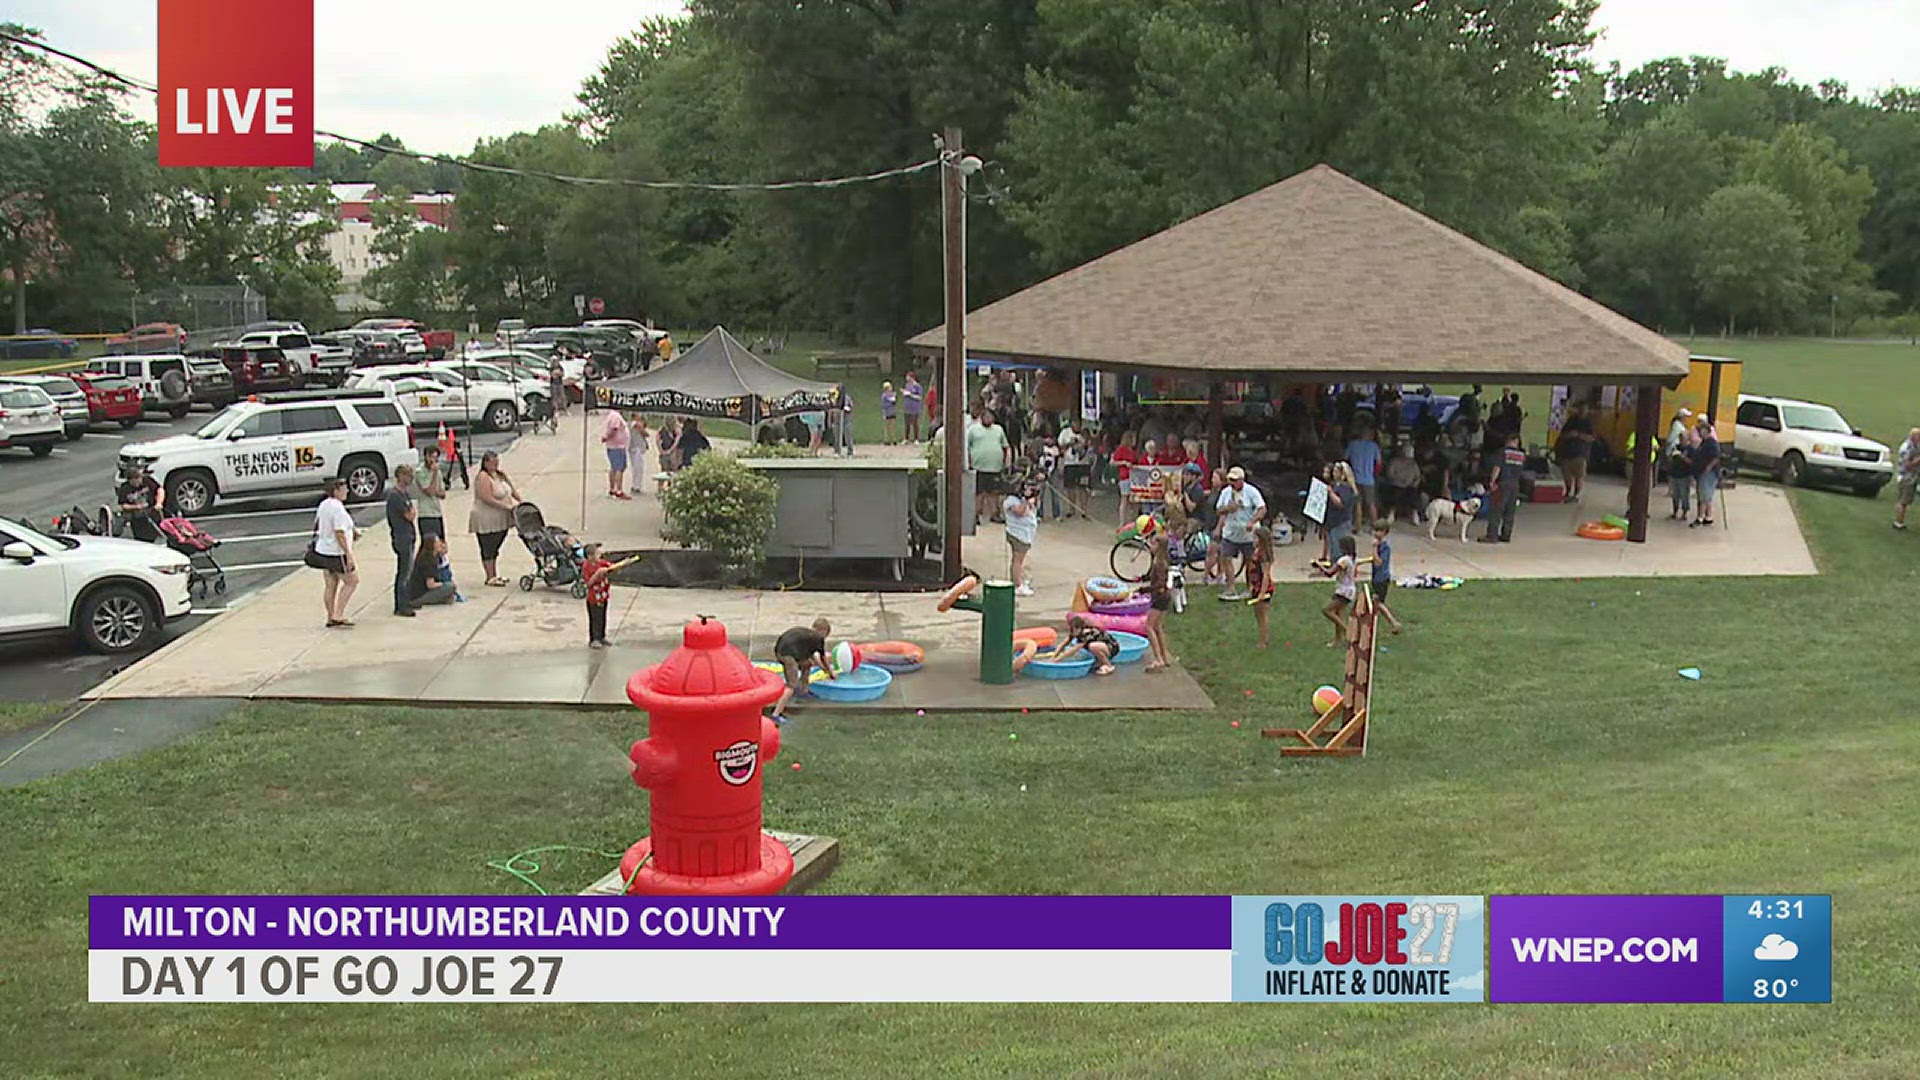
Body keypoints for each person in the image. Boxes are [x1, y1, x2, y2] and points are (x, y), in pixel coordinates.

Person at [311, 476, 359, 628]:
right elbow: (339, 532)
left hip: (323, 550)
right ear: (336, 490)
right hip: (337, 552)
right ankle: (338, 614)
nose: (347, 491)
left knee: (330, 584)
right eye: (344, 488)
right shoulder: (338, 508)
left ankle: (330, 615)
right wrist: (349, 554)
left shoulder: (324, 505)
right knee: (352, 581)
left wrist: (353, 531)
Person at [1213, 466, 1267, 601]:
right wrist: (1227, 509)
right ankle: (1230, 588)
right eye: (1230, 480)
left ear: (1242, 480)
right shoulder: (1226, 492)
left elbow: (1262, 509)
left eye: (1235, 480)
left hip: (1248, 534)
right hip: (1230, 532)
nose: (1232, 483)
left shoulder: (1252, 491)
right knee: (1226, 558)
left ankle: (1250, 588)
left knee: (1250, 561)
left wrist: (1252, 521)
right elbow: (1218, 510)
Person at [469, 451, 519, 587]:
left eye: (497, 462)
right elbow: (486, 497)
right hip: (486, 517)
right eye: (493, 463)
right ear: (485, 463)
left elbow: (512, 491)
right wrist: (506, 506)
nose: (496, 465)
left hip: (501, 518)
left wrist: (520, 502)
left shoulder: (500, 475)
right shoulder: (483, 477)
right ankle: (489, 576)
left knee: (497, 544)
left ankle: (495, 574)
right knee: (488, 545)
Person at [771, 618, 834, 723]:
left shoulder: (808, 637)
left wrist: (824, 670)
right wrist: (830, 673)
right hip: (788, 656)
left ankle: (802, 690)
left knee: (807, 664)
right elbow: (823, 659)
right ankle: (776, 714)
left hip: (780, 651)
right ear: (823, 631)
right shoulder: (818, 638)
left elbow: (813, 657)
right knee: (791, 685)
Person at [581, 543, 639, 648]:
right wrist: (597, 574)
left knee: (602, 617)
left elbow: (611, 567)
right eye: (597, 554)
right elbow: (588, 583)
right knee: (595, 618)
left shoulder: (601, 563)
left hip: (603, 596)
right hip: (594, 598)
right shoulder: (586, 566)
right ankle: (594, 639)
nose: (600, 555)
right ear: (590, 556)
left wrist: (624, 563)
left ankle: (602, 637)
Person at [967, 406, 1011, 524]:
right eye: (986, 416)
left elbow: (1005, 446)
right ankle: (975, 515)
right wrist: (969, 463)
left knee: (994, 493)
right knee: (979, 493)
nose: (988, 419)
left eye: (991, 417)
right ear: (981, 417)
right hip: (978, 467)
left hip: (995, 467)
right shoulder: (973, 429)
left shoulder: (999, 429)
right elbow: (967, 447)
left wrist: (1005, 462)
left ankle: (995, 514)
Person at [386, 464, 419, 617]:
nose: (410, 478)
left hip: (409, 535)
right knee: (403, 571)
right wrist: (411, 512)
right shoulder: (395, 496)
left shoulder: (404, 494)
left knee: (408, 570)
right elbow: (409, 515)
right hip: (401, 537)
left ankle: (407, 599)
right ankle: (401, 605)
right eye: (406, 475)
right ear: (399, 476)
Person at [1316, 534, 1360, 647]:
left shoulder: (1343, 560)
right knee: (1338, 613)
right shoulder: (1353, 559)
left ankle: (1347, 630)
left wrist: (1320, 567)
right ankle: (1338, 640)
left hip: (1343, 590)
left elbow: (1330, 573)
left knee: (1327, 610)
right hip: (1350, 589)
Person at [1482, 432, 1526, 543]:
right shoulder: (1521, 455)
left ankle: (1492, 535)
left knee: (1496, 510)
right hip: (1515, 484)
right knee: (1510, 511)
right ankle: (1506, 535)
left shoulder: (1502, 452)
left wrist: (1492, 481)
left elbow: (1497, 467)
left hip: (1503, 484)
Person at [1142, 529, 1175, 671]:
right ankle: (1164, 656)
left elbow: (1160, 584)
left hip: (1159, 597)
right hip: (1164, 597)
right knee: (1158, 626)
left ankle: (1158, 659)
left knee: (1149, 626)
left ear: (1159, 547)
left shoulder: (1158, 563)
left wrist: (1145, 590)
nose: (1150, 545)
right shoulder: (1161, 561)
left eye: (1153, 544)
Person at [1051, 614, 1118, 676]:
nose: (1071, 632)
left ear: (1079, 628)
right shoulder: (1075, 633)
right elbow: (1063, 644)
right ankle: (1099, 661)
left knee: (1092, 646)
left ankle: (1108, 665)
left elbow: (1073, 650)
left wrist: (1057, 660)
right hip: (1102, 646)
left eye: (1073, 630)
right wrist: (1054, 655)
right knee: (1090, 646)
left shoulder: (1086, 634)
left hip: (1111, 647)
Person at [1004, 476, 1038, 596]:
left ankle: (1018, 581)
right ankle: (1017, 585)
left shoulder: (1019, 500)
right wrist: (1026, 500)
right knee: (1017, 560)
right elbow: (1020, 512)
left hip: (1025, 533)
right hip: (1018, 534)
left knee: (1020, 560)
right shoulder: (1010, 501)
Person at [1368, 521, 1404, 634]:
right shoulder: (1379, 546)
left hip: (1381, 579)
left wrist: (1374, 548)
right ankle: (1372, 625)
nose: (1376, 533)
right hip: (1376, 578)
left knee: (1377, 603)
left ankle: (1394, 623)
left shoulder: (1385, 547)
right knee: (1375, 603)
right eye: (1375, 530)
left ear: (1384, 532)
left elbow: (1378, 562)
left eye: (1379, 531)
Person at [115, 462, 165, 542]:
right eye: (134, 480)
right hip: (138, 518)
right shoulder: (124, 489)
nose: (137, 482)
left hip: (153, 513)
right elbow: (123, 505)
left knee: (161, 533)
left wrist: (159, 503)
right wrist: (136, 507)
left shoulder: (147, 481)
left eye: (138, 478)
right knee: (143, 540)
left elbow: (159, 490)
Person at [1555, 402, 1594, 502]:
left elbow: (1592, 438)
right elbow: (1562, 435)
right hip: (1567, 453)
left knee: (1579, 476)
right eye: (1580, 409)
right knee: (1567, 475)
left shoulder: (1588, 423)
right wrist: (1569, 435)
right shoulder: (1571, 421)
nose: (1582, 411)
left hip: (1581, 454)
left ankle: (1575, 495)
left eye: (1584, 409)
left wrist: (1578, 435)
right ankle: (1568, 492)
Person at [408, 534, 458, 607]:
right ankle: (419, 601)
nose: (440, 544)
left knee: (449, 595)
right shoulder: (428, 561)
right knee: (451, 586)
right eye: (437, 542)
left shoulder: (432, 556)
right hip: (421, 592)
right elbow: (430, 584)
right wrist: (443, 584)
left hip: (420, 590)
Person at [1346, 424, 1381, 526]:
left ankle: (1358, 526)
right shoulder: (1374, 446)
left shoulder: (1352, 445)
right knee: (1371, 503)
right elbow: (1378, 464)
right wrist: (1374, 474)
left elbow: (1344, 459)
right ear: (1370, 434)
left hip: (1354, 478)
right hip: (1369, 479)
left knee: (1357, 503)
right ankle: (1375, 526)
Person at [1247, 523, 1275, 648]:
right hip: (1255, 585)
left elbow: (1265, 575)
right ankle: (1263, 636)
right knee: (1257, 614)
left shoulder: (1264, 556)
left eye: (1256, 538)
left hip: (1263, 588)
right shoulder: (1256, 551)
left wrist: (1262, 593)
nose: (1254, 540)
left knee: (1263, 614)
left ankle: (1263, 641)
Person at [1690, 417, 1721, 528]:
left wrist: (1708, 467)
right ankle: (1708, 516)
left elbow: (1716, 456)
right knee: (1706, 496)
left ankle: (1700, 517)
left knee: (1704, 495)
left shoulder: (1711, 443)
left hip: (1708, 473)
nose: (1700, 433)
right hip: (1703, 470)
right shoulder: (1705, 442)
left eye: (1701, 431)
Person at [1322, 461, 1356, 561]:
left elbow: (1341, 504)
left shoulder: (1345, 487)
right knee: (1333, 547)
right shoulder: (1334, 485)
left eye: (1336, 472)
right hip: (1332, 521)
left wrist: (1331, 493)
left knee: (1339, 548)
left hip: (1341, 522)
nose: (1334, 473)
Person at [1058, 419, 1092, 518]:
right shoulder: (1065, 433)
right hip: (1070, 463)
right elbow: (1061, 447)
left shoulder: (1085, 432)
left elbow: (1090, 445)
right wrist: (1070, 443)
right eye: (1075, 423)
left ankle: (1084, 510)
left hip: (1083, 463)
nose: (1077, 425)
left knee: (1083, 487)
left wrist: (1084, 442)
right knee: (1070, 487)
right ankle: (1071, 509)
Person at [414, 444, 446, 542]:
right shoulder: (420, 472)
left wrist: (436, 491)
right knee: (430, 545)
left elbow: (442, 494)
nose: (433, 460)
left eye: (436, 458)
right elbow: (429, 491)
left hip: (437, 512)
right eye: (431, 457)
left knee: (441, 544)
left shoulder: (438, 472)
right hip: (426, 514)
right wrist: (434, 474)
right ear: (425, 456)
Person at [601, 407, 632, 499]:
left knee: (614, 468)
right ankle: (618, 490)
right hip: (617, 446)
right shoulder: (615, 416)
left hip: (615, 446)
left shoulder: (613, 415)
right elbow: (614, 428)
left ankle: (612, 489)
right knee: (619, 468)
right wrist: (607, 437)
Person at [1668, 423, 1695, 520]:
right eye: (1680, 438)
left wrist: (1682, 456)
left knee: (1684, 495)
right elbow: (1670, 459)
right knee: (1675, 495)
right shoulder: (1676, 447)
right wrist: (1672, 455)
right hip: (1675, 474)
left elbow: (1691, 462)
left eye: (1683, 438)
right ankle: (1675, 512)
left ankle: (1685, 513)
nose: (1681, 440)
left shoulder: (1690, 449)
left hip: (1684, 475)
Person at [1895, 428, 1920, 529]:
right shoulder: (1907, 448)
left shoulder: (1914, 445)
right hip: (1907, 477)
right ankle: (1899, 523)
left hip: (1913, 477)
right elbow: (1907, 465)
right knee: (1904, 501)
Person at [628, 415, 651, 493]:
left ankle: (636, 485)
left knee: (636, 467)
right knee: (638, 468)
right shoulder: (635, 424)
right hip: (636, 447)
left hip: (635, 447)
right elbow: (645, 433)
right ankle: (636, 485)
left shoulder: (631, 423)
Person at [901, 372, 924, 442]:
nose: (906, 378)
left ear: (912, 377)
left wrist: (910, 395)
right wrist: (904, 393)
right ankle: (906, 438)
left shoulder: (918, 386)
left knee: (915, 424)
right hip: (907, 407)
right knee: (907, 424)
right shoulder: (907, 385)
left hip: (914, 408)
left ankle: (916, 439)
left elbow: (919, 397)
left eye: (908, 377)